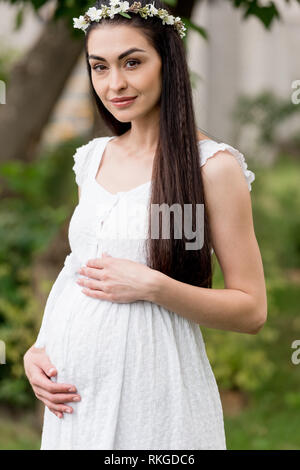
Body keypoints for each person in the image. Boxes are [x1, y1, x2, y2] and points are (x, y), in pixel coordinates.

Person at [23, 0, 267, 450]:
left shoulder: (211, 168)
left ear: (167, 64)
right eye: (100, 67)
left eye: (132, 62)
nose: (114, 84)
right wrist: (39, 348)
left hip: (155, 395)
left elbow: (251, 311)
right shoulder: (94, 157)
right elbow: (77, 268)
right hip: (76, 402)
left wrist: (154, 286)